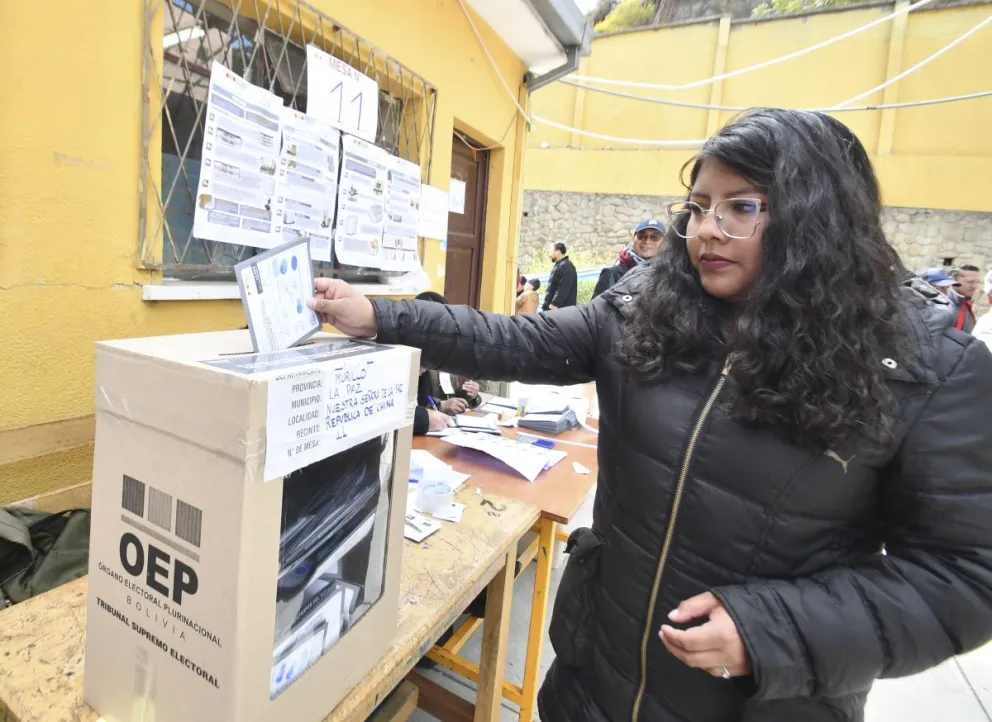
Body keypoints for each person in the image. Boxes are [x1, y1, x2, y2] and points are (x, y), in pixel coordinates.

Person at [309, 109, 992, 722]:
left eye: (742, 207)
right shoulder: (649, 310)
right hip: (597, 680)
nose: (706, 231)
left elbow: (963, 578)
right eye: (697, 207)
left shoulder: (919, 369)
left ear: (819, 221)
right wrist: (382, 316)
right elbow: (520, 340)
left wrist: (774, 630)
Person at [409, 292, 482, 435]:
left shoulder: (442, 354)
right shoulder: (410, 353)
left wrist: (472, 396)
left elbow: (451, 394)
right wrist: (441, 406)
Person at [593, 218, 665, 298]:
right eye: (641, 236)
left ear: (665, 242)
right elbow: (596, 309)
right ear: (633, 239)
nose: (647, 241)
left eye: (654, 237)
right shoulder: (612, 275)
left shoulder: (670, 274)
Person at [922, 268, 975, 332]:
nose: (946, 292)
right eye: (942, 287)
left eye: (947, 287)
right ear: (926, 286)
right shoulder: (915, 308)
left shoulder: (953, 307)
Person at [543, 242, 578, 310]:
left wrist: (555, 304)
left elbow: (564, 287)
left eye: (551, 252)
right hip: (554, 308)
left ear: (558, 251)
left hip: (560, 309)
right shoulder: (560, 265)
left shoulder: (566, 266)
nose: (550, 254)